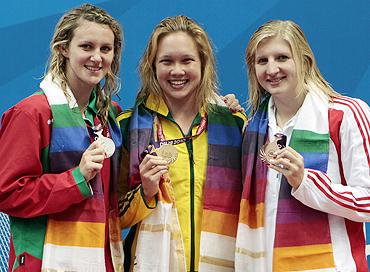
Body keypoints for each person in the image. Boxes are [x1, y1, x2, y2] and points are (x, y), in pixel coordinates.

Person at [235, 19, 370, 271]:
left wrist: (306, 181)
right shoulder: (252, 128)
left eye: (282, 57)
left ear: (304, 60)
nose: (271, 69)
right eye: (262, 61)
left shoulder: (345, 115)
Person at [0, 4, 124, 271]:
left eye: (105, 49)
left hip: (101, 261)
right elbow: (7, 192)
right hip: (44, 261)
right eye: (87, 46)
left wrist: (219, 106)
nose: (97, 57)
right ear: (63, 48)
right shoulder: (31, 113)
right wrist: (76, 178)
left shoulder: (109, 115)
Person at [118, 15, 246, 272]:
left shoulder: (234, 125)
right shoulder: (128, 127)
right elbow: (113, 216)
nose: (177, 71)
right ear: (152, 66)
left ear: (203, 63)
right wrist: (146, 191)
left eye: (187, 60)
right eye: (166, 61)